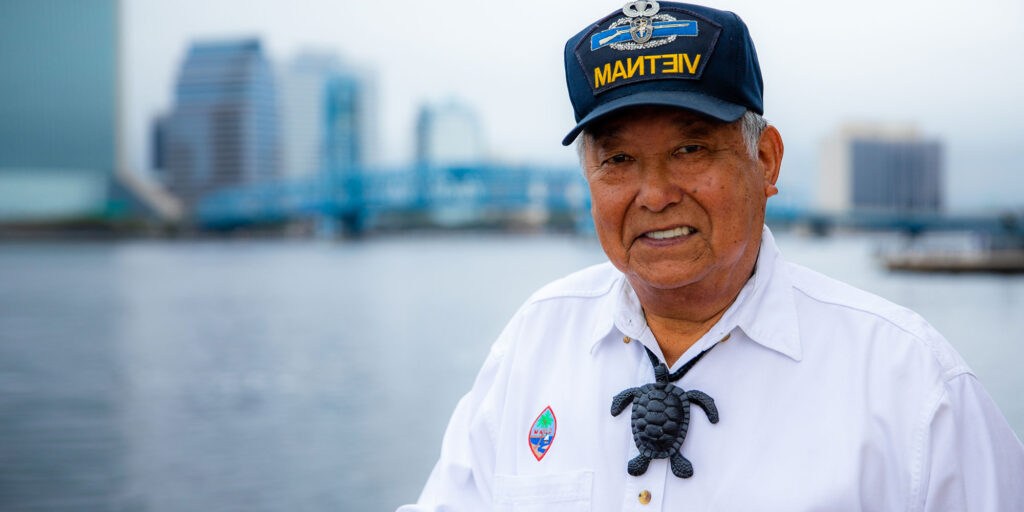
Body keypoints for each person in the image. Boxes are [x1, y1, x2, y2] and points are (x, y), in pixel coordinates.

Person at [398, 2, 1024, 510]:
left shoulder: (911, 384)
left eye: (691, 150)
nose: (655, 195)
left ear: (767, 161)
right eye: (618, 160)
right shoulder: (533, 343)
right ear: (589, 177)